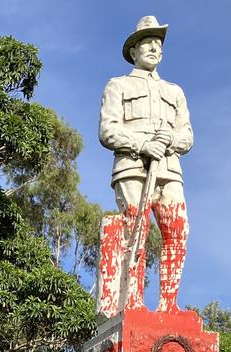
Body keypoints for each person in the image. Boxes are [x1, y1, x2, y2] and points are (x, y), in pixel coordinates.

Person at [99, 15, 193, 312]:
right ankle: (133, 301)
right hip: (132, 167)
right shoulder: (118, 85)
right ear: (134, 50)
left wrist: (169, 142)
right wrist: (142, 144)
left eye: (157, 44)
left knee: (178, 230)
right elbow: (108, 130)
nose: (154, 48)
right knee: (136, 230)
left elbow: (187, 134)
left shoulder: (174, 91)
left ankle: (169, 305)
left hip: (169, 169)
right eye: (147, 43)